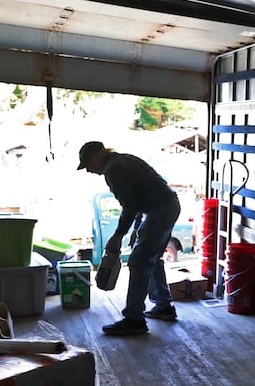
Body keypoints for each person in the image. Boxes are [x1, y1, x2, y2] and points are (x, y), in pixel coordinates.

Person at [77, 140, 180, 335]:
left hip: (159, 210)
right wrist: (135, 231)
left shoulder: (113, 170)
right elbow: (140, 198)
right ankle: (164, 306)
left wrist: (118, 236)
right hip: (166, 206)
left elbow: (130, 206)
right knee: (151, 258)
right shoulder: (124, 160)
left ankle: (134, 319)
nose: (89, 171)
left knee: (139, 261)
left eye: (88, 165)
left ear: (97, 157)